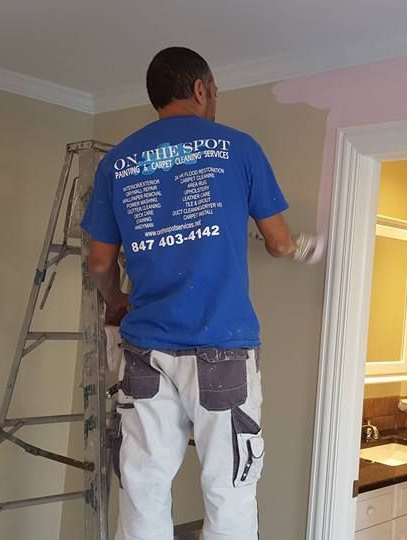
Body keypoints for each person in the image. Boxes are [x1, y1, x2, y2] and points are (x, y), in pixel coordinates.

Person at [81, 47, 315, 540]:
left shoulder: (118, 163)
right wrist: (293, 246)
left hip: (145, 349)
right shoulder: (238, 148)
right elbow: (276, 242)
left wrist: (116, 301)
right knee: (229, 488)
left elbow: (100, 264)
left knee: (143, 485)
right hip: (222, 345)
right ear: (201, 89)